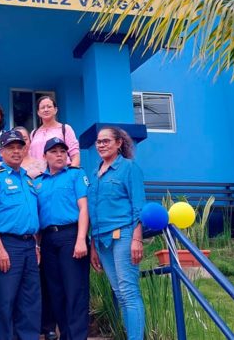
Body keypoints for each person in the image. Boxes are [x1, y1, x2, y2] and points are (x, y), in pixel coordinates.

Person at [0, 130, 41, 340]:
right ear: (1, 151)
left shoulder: (27, 178)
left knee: (31, 300)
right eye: (10, 147)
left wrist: (36, 246)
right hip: (7, 245)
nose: (16, 151)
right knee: (6, 300)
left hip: (29, 246)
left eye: (19, 147)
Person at [87, 126, 146, 340]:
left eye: (106, 141)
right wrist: (93, 245)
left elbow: (138, 206)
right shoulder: (95, 174)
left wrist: (137, 239)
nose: (101, 145)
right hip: (102, 241)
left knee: (129, 292)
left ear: (119, 143)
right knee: (120, 294)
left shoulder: (129, 168)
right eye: (98, 141)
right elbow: (94, 211)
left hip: (124, 236)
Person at [35, 137, 91, 340]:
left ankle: (77, 336)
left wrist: (81, 239)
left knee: (75, 291)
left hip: (71, 236)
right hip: (48, 240)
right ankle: (66, 335)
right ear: (44, 156)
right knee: (55, 292)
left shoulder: (75, 174)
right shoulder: (38, 182)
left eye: (62, 151)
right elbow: (36, 217)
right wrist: (37, 246)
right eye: (54, 151)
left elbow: (84, 207)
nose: (59, 155)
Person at [12, 125, 56, 339]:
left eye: (23, 139)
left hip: (41, 231)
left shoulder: (42, 166)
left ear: (29, 142)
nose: (20, 144)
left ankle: (46, 326)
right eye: (15, 140)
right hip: (19, 234)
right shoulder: (4, 170)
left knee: (43, 283)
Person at [28, 96, 80, 167]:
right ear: (38, 112)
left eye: (49, 107)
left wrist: (71, 175)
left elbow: (75, 156)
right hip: (38, 175)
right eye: (42, 107)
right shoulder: (34, 133)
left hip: (61, 173)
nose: (46, 110)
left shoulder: (65, 129)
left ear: (55, 110)